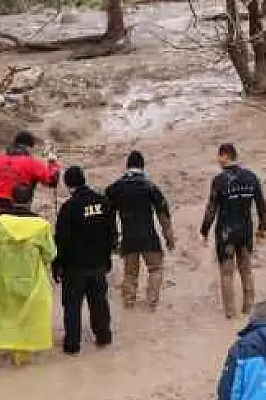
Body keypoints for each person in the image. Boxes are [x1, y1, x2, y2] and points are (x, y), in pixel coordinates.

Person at [0, 184, 57, 367]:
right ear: (31, 200)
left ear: (11, 199)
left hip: (1, 278)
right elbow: (50, 254)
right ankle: (20, 354)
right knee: (26, 316)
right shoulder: (41, 226)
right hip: (30, 279)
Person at [52, 166, 116, 355]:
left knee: (72, 307)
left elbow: (61, 240)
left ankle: (72, 346)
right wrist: (107, 258)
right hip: (98, 264)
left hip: (74, 268)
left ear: (68, 184)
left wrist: (57, 265)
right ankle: (104, 337)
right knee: (99, 303)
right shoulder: (103, 202)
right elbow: (112, 233)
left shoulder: (68, 208)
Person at [200, 143, 266, 319]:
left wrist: (204, 231)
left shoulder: (219, 181)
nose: (217, 160)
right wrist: (262, 227)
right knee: (246, 271)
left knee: (227, 273)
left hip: (226, 233)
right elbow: (261, 205)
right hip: (245, 231)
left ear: (225, 156)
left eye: (219, 156)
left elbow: (211, 209)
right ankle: (249, 310)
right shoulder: (251, 177)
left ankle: (230, 314)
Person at [105, 150, 176, 310]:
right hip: (148, 236)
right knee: (155, 268)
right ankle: (151, 302)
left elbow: (108, 216)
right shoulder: (150, 186)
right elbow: (163, 215)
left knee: (130, 274)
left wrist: (113, 239)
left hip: (128, 237)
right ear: (142, 166)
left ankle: (129, 302)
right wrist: (169, 238)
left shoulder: (115, 188)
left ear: (127, 166)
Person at [0, 131, 61, 216]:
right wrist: (53, 162)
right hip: (17, 208)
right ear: (28, 147)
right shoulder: (31, 163)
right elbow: (52, 181)